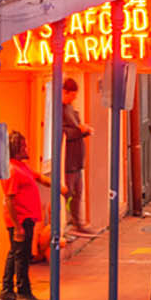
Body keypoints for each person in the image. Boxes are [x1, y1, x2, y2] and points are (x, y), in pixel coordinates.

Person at [0, 130, 48, 300]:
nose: (28, 148)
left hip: (25, 218)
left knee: (15, 254)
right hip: (20, 220)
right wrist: (18, 227)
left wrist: (58, 186)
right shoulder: (12, 170)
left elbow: (39, 177)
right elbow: (9, 199)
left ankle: (6, 291)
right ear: (17, 149)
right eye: (24, 146)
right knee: (22, 256)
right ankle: (23, 292)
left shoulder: (21, 166)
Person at [61, 77, 92, 227]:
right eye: (72, 95)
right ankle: (67, 221)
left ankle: (77, 221)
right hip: (68, 161)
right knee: (68, 192)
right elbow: (63, 133)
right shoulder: (59, 109)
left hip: (77, 161)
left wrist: (83, 130)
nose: (74, 98)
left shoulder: (70, 108)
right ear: (64, 92)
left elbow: (75, 127)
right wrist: (80, 131)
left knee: (78, 193)